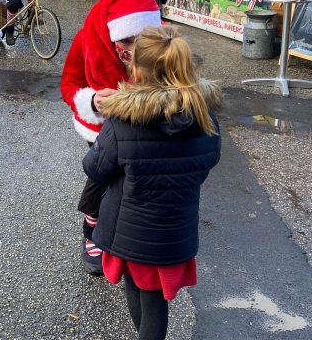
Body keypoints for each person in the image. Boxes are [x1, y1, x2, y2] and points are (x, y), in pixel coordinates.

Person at [82, 25, 221, 340]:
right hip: (176, 231)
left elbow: (95, 168)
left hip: (132, 233)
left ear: (137, 72)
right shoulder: (206, 118)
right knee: (151, 300)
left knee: (147, 302)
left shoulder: (123, 122)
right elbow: (208, 162)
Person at [60, 0, 161, 275]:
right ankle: (91, 229)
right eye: (126, 41)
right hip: (102, 128)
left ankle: (126, 233)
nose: (132, 50)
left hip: (149, 124)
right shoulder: (88, 39)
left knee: (135, 184)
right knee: (102, 178)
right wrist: (90, 100)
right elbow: (69, 85)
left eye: (141, 41)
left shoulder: (164, 44)